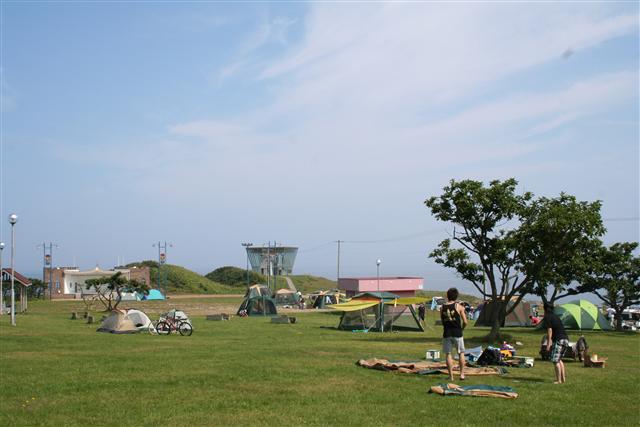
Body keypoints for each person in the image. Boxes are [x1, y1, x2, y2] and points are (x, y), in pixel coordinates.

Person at [440, 287, 468, 381]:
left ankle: (451, 376)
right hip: (457, 332)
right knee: (461, 353)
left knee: (448, 354)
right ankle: (462, 375)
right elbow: (465, 322)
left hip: (447, 333)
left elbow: (442, 320)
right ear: (456, 296)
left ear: (447, 296)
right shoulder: (459, 306)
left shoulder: (442, 307)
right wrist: (462, 329)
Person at [543, 302, 569, 384]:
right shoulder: (556, 316)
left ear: (546, 308)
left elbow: (549, 330)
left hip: (559, 340)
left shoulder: (547, 317)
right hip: (566, 339)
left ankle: (559, 380)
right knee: (559, 360)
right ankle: (563, 379)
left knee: (555, 361)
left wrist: (548, 344)